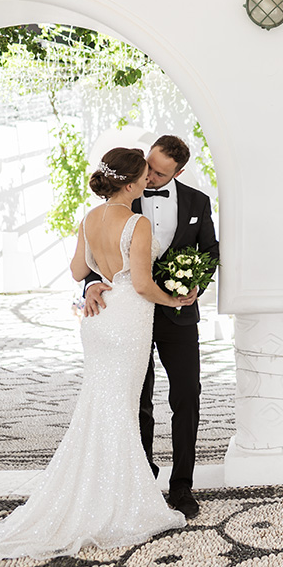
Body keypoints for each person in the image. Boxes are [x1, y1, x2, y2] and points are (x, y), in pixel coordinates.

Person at [0, 148, 190, 564]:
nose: (146, 181)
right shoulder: (137, 223)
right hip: (127, 322)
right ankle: (119, 500)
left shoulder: (90, 218)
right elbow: (141, 284)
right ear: (128, 183)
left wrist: (97, 283)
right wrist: (176, 300)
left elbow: (77, 271)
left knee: (101, 405)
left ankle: (100, 492)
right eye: (142, 176)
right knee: (119, 408)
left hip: (98, 321)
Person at [85, 135, 218, 519]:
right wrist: (90, 284)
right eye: (149, 168)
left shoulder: (197, 202)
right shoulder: (125, 192)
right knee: (137, 400)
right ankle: (141, 481)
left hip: (179, 315)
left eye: (160, 173)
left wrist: (195, 285)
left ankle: (182, 487)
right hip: (130, 315)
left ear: (179, 172)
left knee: (187, 397)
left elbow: (210, 250)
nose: (150, 178)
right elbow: (97, 247)